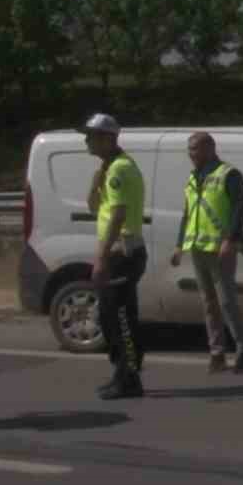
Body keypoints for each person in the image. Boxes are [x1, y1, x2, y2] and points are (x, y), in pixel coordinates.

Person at [171, 131, 243, 374]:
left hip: (220, 249)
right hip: (198, 247)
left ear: (210, 148)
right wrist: (179, 245)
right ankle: (217, 353)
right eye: (189, 149)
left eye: (195, 148)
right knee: (208, 303)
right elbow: (188, 213)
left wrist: (230, 240)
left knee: (227, 301)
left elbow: (240, 208)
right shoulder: (192, 176)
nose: (191, 154)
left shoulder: (228, 174)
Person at [81, 113, 147, 400]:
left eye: (92, 136)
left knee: (118, 318)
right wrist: (95, 184)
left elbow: (118, 216)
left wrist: (101, 258)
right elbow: (96, 208)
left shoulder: (119, 168)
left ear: (109, 138)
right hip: (121, 251)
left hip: (122, 251)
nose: (86, 140)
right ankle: (124, 373)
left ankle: (128, 379)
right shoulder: (109, 168)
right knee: (116, 316)